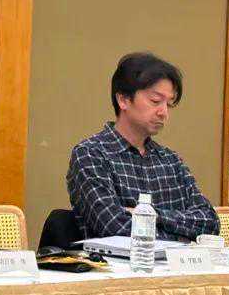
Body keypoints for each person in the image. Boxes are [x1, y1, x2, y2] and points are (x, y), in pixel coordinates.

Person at [67, 52, 219, 241]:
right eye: (155, 101)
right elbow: (115, 227)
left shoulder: (170, 160)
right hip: (118, 260)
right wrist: (181, 236)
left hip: (173, 261)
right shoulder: (91, 154)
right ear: (123, 100)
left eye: (169, 104)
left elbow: (210, 222)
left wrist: (153, 215)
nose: (164, 112)